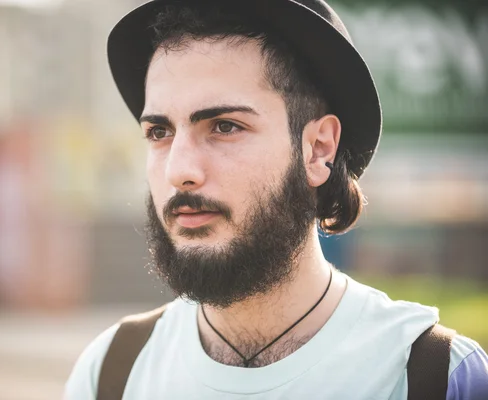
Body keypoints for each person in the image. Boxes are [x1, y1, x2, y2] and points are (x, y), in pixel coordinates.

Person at [66, 0, 488, 399]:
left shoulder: (432, 376)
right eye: (159, 132)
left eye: (225, 126)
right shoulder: (112, 373)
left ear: (318, 149)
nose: (179, 171)